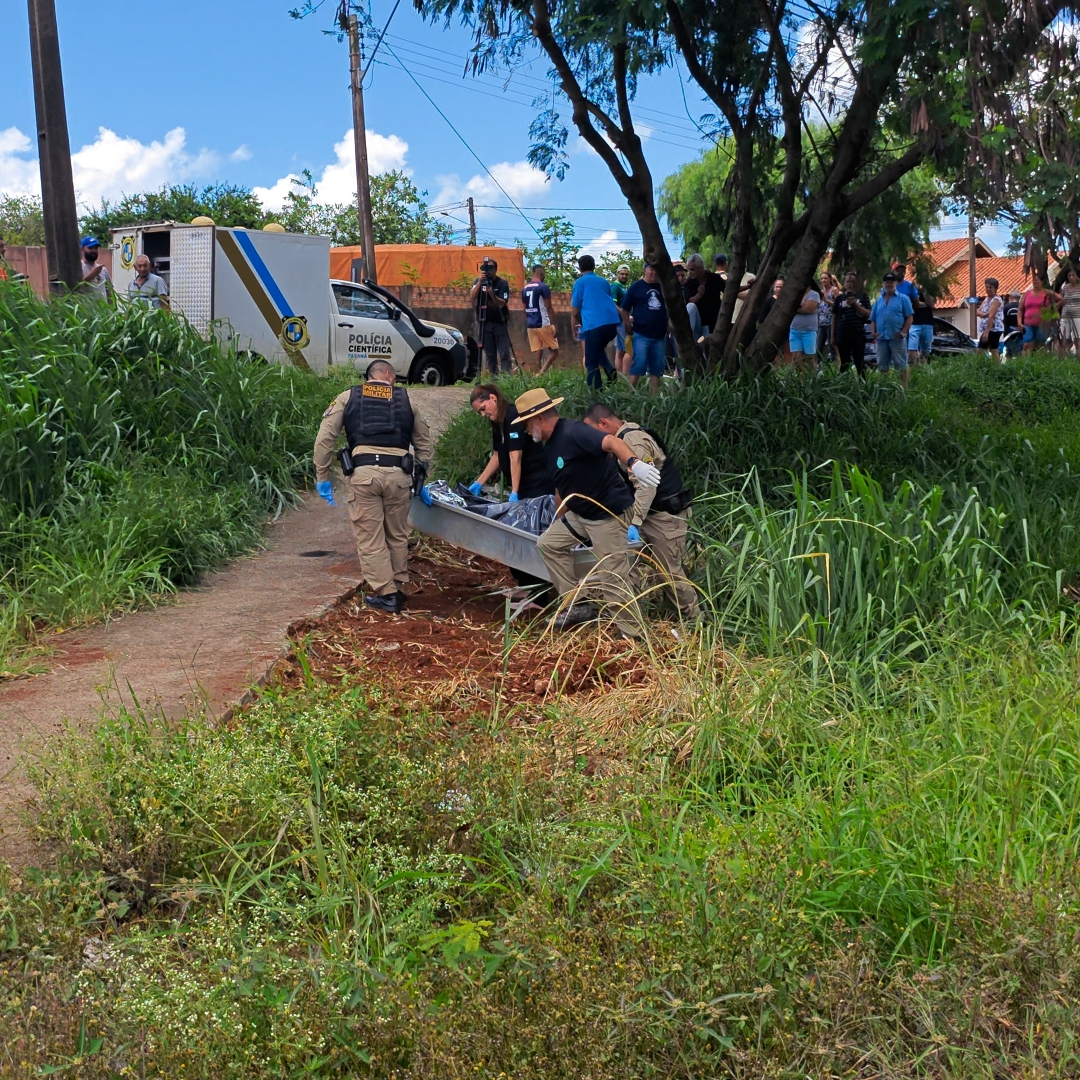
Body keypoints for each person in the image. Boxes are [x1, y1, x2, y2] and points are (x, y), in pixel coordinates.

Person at [513, 387, 661, 638]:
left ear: (538, 418)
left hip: (606, 513)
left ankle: (633, 634)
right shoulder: (549, 448)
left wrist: (634, 464)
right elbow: (561, 487)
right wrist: (559, 519)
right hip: (581, 513)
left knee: (612, 575)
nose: (525, 430)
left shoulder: (574, 432)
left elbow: (612, 442)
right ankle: (577, 604)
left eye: (526, 424)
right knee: (549, 545)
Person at [313, 359, 433, 614]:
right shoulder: (407, 399)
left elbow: (325, 438)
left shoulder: (347, 397)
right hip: (399, 476)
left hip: (364, 475)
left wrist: (322, 476)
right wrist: (421, 476)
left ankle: (387, 594)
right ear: (388, 375)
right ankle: (397, 587)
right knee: (397, 534)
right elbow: (424, 442)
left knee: (371, 537)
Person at [583, 404, 699, 622]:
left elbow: (647, 485)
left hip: (664, 516)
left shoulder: (632, 440)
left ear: (603, 423)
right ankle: (633, 615)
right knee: (628, 565)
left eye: (593, 431)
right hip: (647, 514)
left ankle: (696, 622)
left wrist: (634, 522)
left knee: (669, 573)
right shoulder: (624, 437)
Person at [468, 384, 553, 502]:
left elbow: (515, 457)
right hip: (522, 484)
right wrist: (479, 482)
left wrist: (514, 492)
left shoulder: (512, 416)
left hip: (537, 482)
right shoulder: (497, 421)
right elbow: (497, 455)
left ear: (493, 398)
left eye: (483, 409)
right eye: (479, 412)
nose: (483, 414)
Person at [570, 254, 620, 389]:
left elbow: (575, 311)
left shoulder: (579, 283)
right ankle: (609, 369)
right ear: (594, 266)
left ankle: (596, 391)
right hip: (612, 324)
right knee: (597, 349)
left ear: (580, 268)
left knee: (591, 362)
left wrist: (580, 324)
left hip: (594, 326)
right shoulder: (603, 282)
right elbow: (609, 302)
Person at [620, 262, 668, 393]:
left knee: (657, 368)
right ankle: (629, 395)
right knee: (639, 365)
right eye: (651, 269)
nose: (654, 272)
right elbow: (625, 309)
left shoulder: (663, 287)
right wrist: (627, 325)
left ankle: (654, 397)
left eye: (656, 269)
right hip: (641, 334)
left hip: (659, 336)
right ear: (645, 270)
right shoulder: (636, 287)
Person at [870, 271, 914, 387]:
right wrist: (873, 332)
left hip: (897, 338)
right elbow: (873, 318)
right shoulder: (878, 301)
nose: (889, 284)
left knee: (901, 365)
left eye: (891, 282)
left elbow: (910, 317)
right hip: (881, 338)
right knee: (882, 366)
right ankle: (885, 388)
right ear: (883, 284)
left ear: (895, 283)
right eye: (887, 282)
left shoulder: (903, 299)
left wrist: (903, 332)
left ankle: (904, 389)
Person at [470, 258, 512, 374]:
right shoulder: (478, 282)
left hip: (500, 322)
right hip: (485, 323)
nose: (488, 271)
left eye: (491, 268)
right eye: (485, 268)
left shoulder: (502, 283)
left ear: (495, 270)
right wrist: (480, 282)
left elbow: (502, 303)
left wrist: (492, 294)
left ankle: (506, 377)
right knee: (490, 354)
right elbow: (472, 296)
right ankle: (494, 378)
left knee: (504, 353)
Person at [831, 272, 871, 376]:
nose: (850, 284)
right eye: (847, 281)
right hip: (842, 333)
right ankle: (844, 382)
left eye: (852, 281)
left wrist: (855, 304)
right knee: (844, 362)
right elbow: (834, 316)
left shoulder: (862, 296)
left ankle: (862, 382)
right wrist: (832, 336)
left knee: (859, 362)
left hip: (857, 333)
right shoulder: (839, 299)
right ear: (844, 283)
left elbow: (868, 313)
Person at [521, 264, 559, 374]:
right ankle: (540, 374)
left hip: (531, 324)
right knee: (554, 351)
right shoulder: (543, 287)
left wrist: (529, 319)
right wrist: (555, 324)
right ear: (542, 273)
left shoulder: (525, 289)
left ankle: (536, 372)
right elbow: (549, 307)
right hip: (543, 322)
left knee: (538, 350)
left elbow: (524, 309)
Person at [683, 253, 723, 336]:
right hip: (697, 323)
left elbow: (729, 289)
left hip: (712, 324)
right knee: (690, 306)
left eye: (692, 269)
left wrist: (747, 286)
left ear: (701, 268)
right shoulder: (689, 283)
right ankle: (688, 336)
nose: (689, 272)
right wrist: (699, 295)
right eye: (688, 270)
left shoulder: (714, 279)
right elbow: (689, 301)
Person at [789, 279, 821, 372]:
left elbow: (808, 309)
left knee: (810, 358)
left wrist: (793, 309)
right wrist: (799, 308)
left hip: (809, 331)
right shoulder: (796, 294)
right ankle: (801, 378)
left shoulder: (814, 294)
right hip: (794, 330)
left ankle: (812, 376)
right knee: (796, 358)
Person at [1021, 273, 1056, 354]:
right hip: (1028, 323)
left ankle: (1039, 360)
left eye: (1037, 280)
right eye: (1034, 280)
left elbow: (1061, 299)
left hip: (1042, 323)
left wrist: (1053, 307)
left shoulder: (1046, 293)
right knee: (1027, 343)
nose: (1035, 282)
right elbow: (1020, 309)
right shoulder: (1027, 294)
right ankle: (1025, 359)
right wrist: (1019, 322)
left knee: (1040, 344)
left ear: (1041, 281)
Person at [611, 264, 632, 374]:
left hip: (624, 321)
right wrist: (625, 316)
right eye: (622, 274)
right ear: (617, 274)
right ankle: (625, 375)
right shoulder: (615, 286)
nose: (624, 276)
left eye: (626, 274)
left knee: (621, 350)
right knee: (627, 349)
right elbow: (613, 304)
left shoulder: (624, 287)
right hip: (621, 322)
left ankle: (620, 375)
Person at [1055, 267, 1080, 357]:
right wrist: (1054, 307)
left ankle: (1078, 359)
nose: (1071, 277)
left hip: (1077, 316)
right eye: (1069, 275)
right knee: (1064, 338)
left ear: (1076, 276)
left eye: (1073, 275)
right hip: (1065, 316)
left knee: (1078, 340)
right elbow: (1062, 299)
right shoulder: (1065, 287)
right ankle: (1064, 359)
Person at [976, 277, 1004, 352]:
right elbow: (977, 311)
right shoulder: (986, 299)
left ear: (995, 288)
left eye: (990, 287)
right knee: (991, 349)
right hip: (987, 328)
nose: (988, 289)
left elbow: (991, 316)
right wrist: (984, 314)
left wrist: (986, 332)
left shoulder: (996, 300)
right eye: (987, 287)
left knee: (983, 349)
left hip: (993, 329)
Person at [80, 236, 112, 301]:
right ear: (82, 249)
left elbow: (109, 292)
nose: (94, 251)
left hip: (103, 307)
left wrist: (112, 306)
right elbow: (76, 289)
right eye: (90, 248)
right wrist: (92, 274)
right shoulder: (79, 268)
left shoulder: (103, 269)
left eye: (96, 248)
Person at [817, 271, 838, 361]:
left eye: (825, 278)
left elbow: (838, 305)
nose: (823, 280)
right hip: (821, 322)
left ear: (830, 279)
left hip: (831, 321)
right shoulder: (821, 292)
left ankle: (834, 363)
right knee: (819, 347)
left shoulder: (834, 290)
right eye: (822, 278)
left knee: (831, 344)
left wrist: (826, 300)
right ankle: (818, 365)